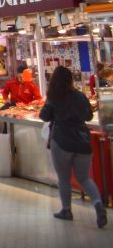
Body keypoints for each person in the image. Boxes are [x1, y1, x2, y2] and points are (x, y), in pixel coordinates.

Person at [40, 65, 107, 229]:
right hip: (82, 140)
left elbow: (44, 116)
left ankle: (66, 210)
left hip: (61, 140)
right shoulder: (79, 95)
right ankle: (98, 205)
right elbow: (89, 115)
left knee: (64, 178)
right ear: (70, 79)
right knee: (84, 178)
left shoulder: (53, 97)